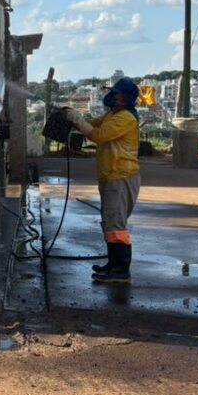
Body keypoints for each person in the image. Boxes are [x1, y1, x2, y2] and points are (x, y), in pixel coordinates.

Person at [65, 78, 141, 284]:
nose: (111, 96)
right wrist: (74, 117)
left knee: (116, 224)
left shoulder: (125, 118)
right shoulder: (112, 114)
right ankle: (113, 264)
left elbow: (98, 135)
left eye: (115, 93)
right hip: (111, 176)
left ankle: (121, 270)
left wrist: (77, 120)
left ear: (124, 98)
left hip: (121, 176)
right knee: (110, 221)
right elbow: (92, 124)